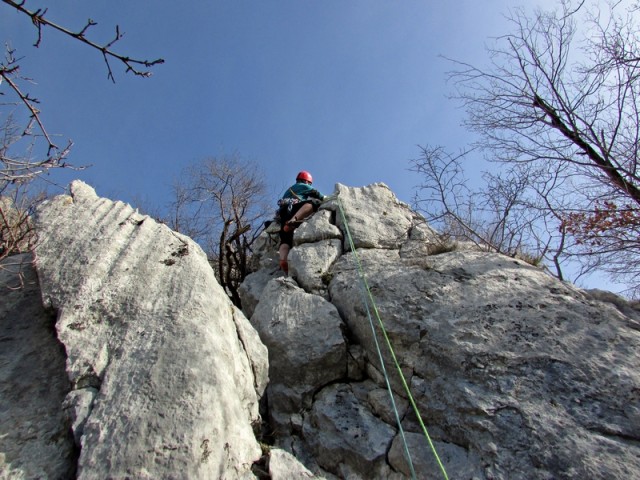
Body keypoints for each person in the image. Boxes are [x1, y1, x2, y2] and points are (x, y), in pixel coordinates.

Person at [277, 170, 324, 273]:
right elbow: (317, 194)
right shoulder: (303, 186)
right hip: (294, 209)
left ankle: (283, 259)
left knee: (285, 240)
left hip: (283, 213)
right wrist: (324, 198)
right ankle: (293, 221)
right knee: (312, 204)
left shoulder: (288, 190)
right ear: (307, 181)